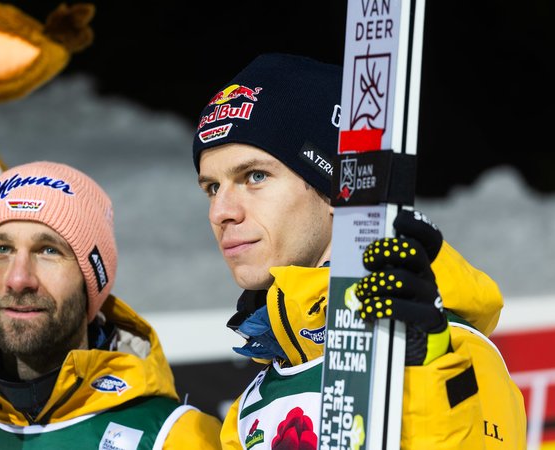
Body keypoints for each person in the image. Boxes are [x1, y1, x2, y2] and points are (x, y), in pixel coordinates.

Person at [191, 53, 526, 449]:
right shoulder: (253, 402)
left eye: (255, 176)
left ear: (337, 187)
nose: (221, 212)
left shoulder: (445, 351)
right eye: (212, 187)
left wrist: (429, 368)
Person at [0, 161, 222, 449]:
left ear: (92, 279)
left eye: (48, 251)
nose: (18, 278)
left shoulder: (176, 438)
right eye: (1, 249)